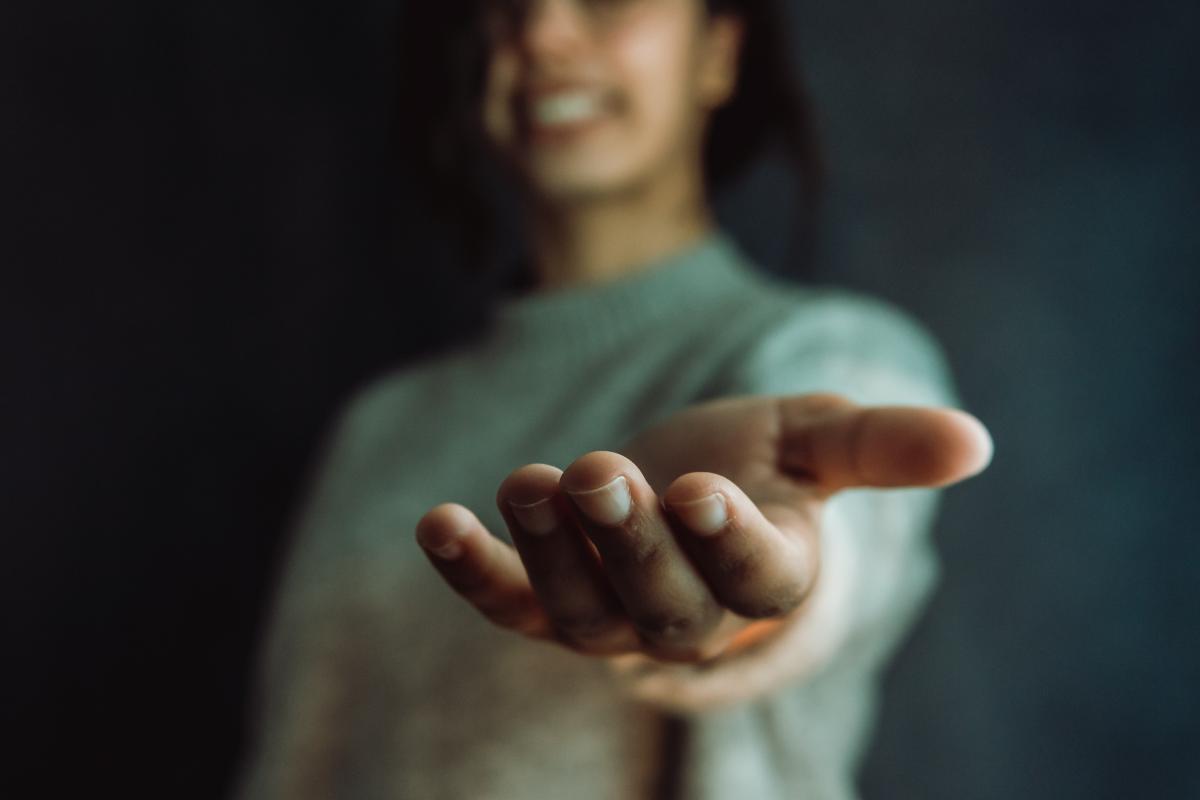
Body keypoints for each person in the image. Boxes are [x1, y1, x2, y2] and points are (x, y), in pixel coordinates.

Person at [234, 1, 994, 797]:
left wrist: (756, 583)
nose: (541, 34)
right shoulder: (380, 426)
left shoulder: (823, 352)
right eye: (505, 8)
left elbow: (837, 544)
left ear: (719, 52)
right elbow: (293, 763)